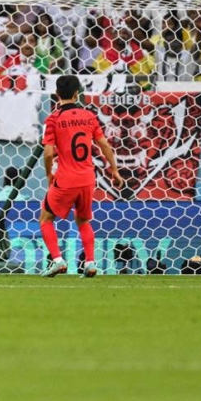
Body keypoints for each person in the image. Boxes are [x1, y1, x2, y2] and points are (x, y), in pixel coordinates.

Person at [39, 75, 122, 278]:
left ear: (57, 93)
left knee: (45, 218)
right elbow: (104, 145)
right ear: (77, 93)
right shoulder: (89, 116)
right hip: (87, 178)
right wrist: (114, 170)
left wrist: (49, 173)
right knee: (83, 221)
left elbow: (48, 153)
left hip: (66, 178)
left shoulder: (53, 119)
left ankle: (58, 260)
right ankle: (90, 263)